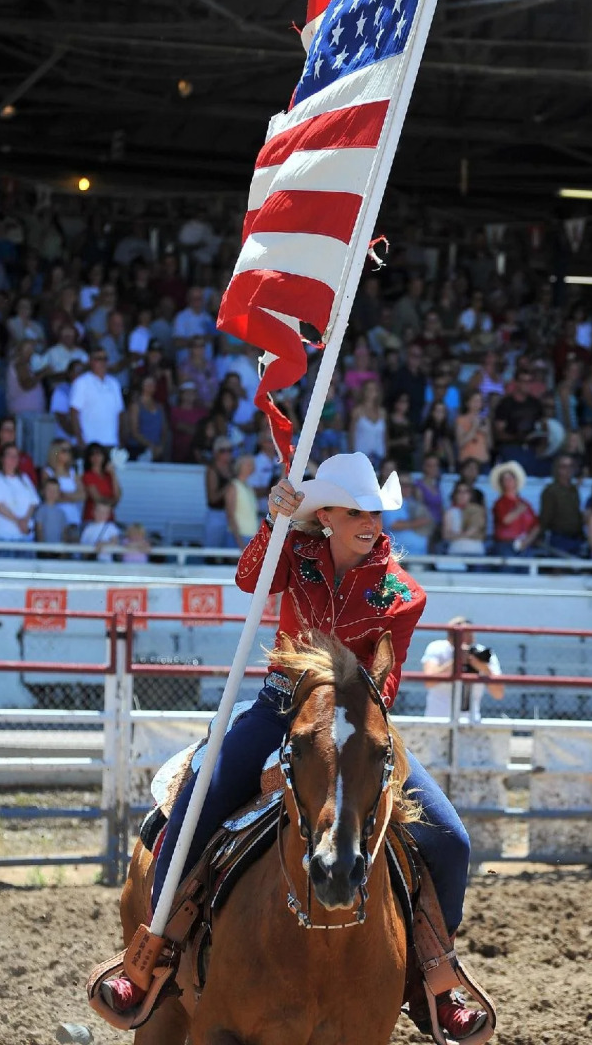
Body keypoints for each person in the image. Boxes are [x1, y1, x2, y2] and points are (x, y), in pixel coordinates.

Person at [102, 453, 486, 1040]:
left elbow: (383, 681)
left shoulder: (401, 594)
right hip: (278, 705)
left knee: (451, 841)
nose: (370, 522)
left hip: (358, 720)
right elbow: (249, 580)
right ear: (325, 515)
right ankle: (153, 951)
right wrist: (271, 523)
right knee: (196, 799)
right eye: (355, 511)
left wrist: (346, 714)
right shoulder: (296, 553)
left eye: (375, 512)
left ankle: (434, 976)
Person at [421, 616, 504, 721]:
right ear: (450, 637)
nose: (466, 639)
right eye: (461, 634)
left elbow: (498, 693)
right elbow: (429, 682)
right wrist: (456, 661)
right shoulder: (438, 648)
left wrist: (481, 667)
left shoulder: (482, 654)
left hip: (471, 721)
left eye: (469, 634)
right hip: (438, 719)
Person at [0, 443, 40, 550]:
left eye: (15, 455)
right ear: (2, 458)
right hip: (2, 537)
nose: (13, 459)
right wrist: (18, 521)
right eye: (9, 455)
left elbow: (33, 502)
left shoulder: (25, 478)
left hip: (25, 538)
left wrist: (25, 520)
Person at [70, 347, 125, 450]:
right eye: (98, 359)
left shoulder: (114, 384)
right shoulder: (81, 383)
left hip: (111, 442)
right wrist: (80, 440)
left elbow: (120, 413)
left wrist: (121, 440)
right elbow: (74, 412)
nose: (102, 362)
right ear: (90, 361)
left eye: (105, 359)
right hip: (89, 443)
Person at [489, 460, 539, 563]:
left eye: (510, 478)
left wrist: (527, 541)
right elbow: (505, 520)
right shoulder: (500, 503)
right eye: (505, 479)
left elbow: (536, 526)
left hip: (524, 546)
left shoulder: (526, 504)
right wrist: (518, 510)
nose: (508, 481)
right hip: (505, 546)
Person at [538, 455, 584, 557]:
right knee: (559, 570)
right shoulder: (550, 491)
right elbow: (545, 517)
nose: (568, 470)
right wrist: (539, 536)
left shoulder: (574, 490)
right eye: (564, 466)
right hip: (558, 538)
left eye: (570, 466)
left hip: (576, 538)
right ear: (557, 469)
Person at [441, 481, 487, 568]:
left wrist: (456, 535)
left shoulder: (478, 510)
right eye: (459, 492)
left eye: (465, 492)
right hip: (456, 553)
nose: (462, 495)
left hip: (476, 552)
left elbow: (475, 530)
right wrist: (466, 534)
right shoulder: (450, 512)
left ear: (470, 495)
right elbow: (446, 535)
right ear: (455, 494)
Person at [204, 436, 236, 550]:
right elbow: (212, 498)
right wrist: (229, 486)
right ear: (216, 452)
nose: (227, 453)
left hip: (231, 514)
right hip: (216, 514)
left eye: (230, 450)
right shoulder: (212, 470)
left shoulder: (233, 468)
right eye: (223, 450)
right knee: (212, 550)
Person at [81, 443, 122, 523]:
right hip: (92, 518)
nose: (96, 457)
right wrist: (113, 502)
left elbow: (118, 494)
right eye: (92, 454)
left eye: (99, 453)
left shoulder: (109, 475)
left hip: (109, 517)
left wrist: (113, 474)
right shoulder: (88, 475)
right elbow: (97, 498)